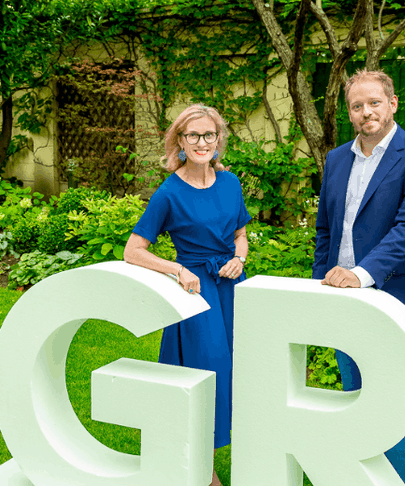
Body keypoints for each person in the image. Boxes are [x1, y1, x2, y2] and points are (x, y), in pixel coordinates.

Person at [313, 70, 405, 486]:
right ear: (349, 113)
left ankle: (401, 482)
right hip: (343, 299)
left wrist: (360, 275)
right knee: (355, 396)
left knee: (392, 403)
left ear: (393, 103)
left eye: (374, 102)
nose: (366, 112)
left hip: (396, 296)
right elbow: (325, 232)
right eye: (357, 106)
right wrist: (321, 284)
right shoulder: (336, 159)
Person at [123, 104, 250, 486]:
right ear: (179, 141)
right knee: (207, 373)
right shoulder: (169, 191)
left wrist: (239, 258)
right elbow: (133, 250)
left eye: (209, 134)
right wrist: (177, 269)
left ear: (218, 139)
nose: (201, 142)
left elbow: (240, 235)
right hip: (197, 296)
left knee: (241, 374)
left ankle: (218, 455)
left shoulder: (230, 183)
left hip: (233, 289)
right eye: (193, 135)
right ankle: (205, 473)